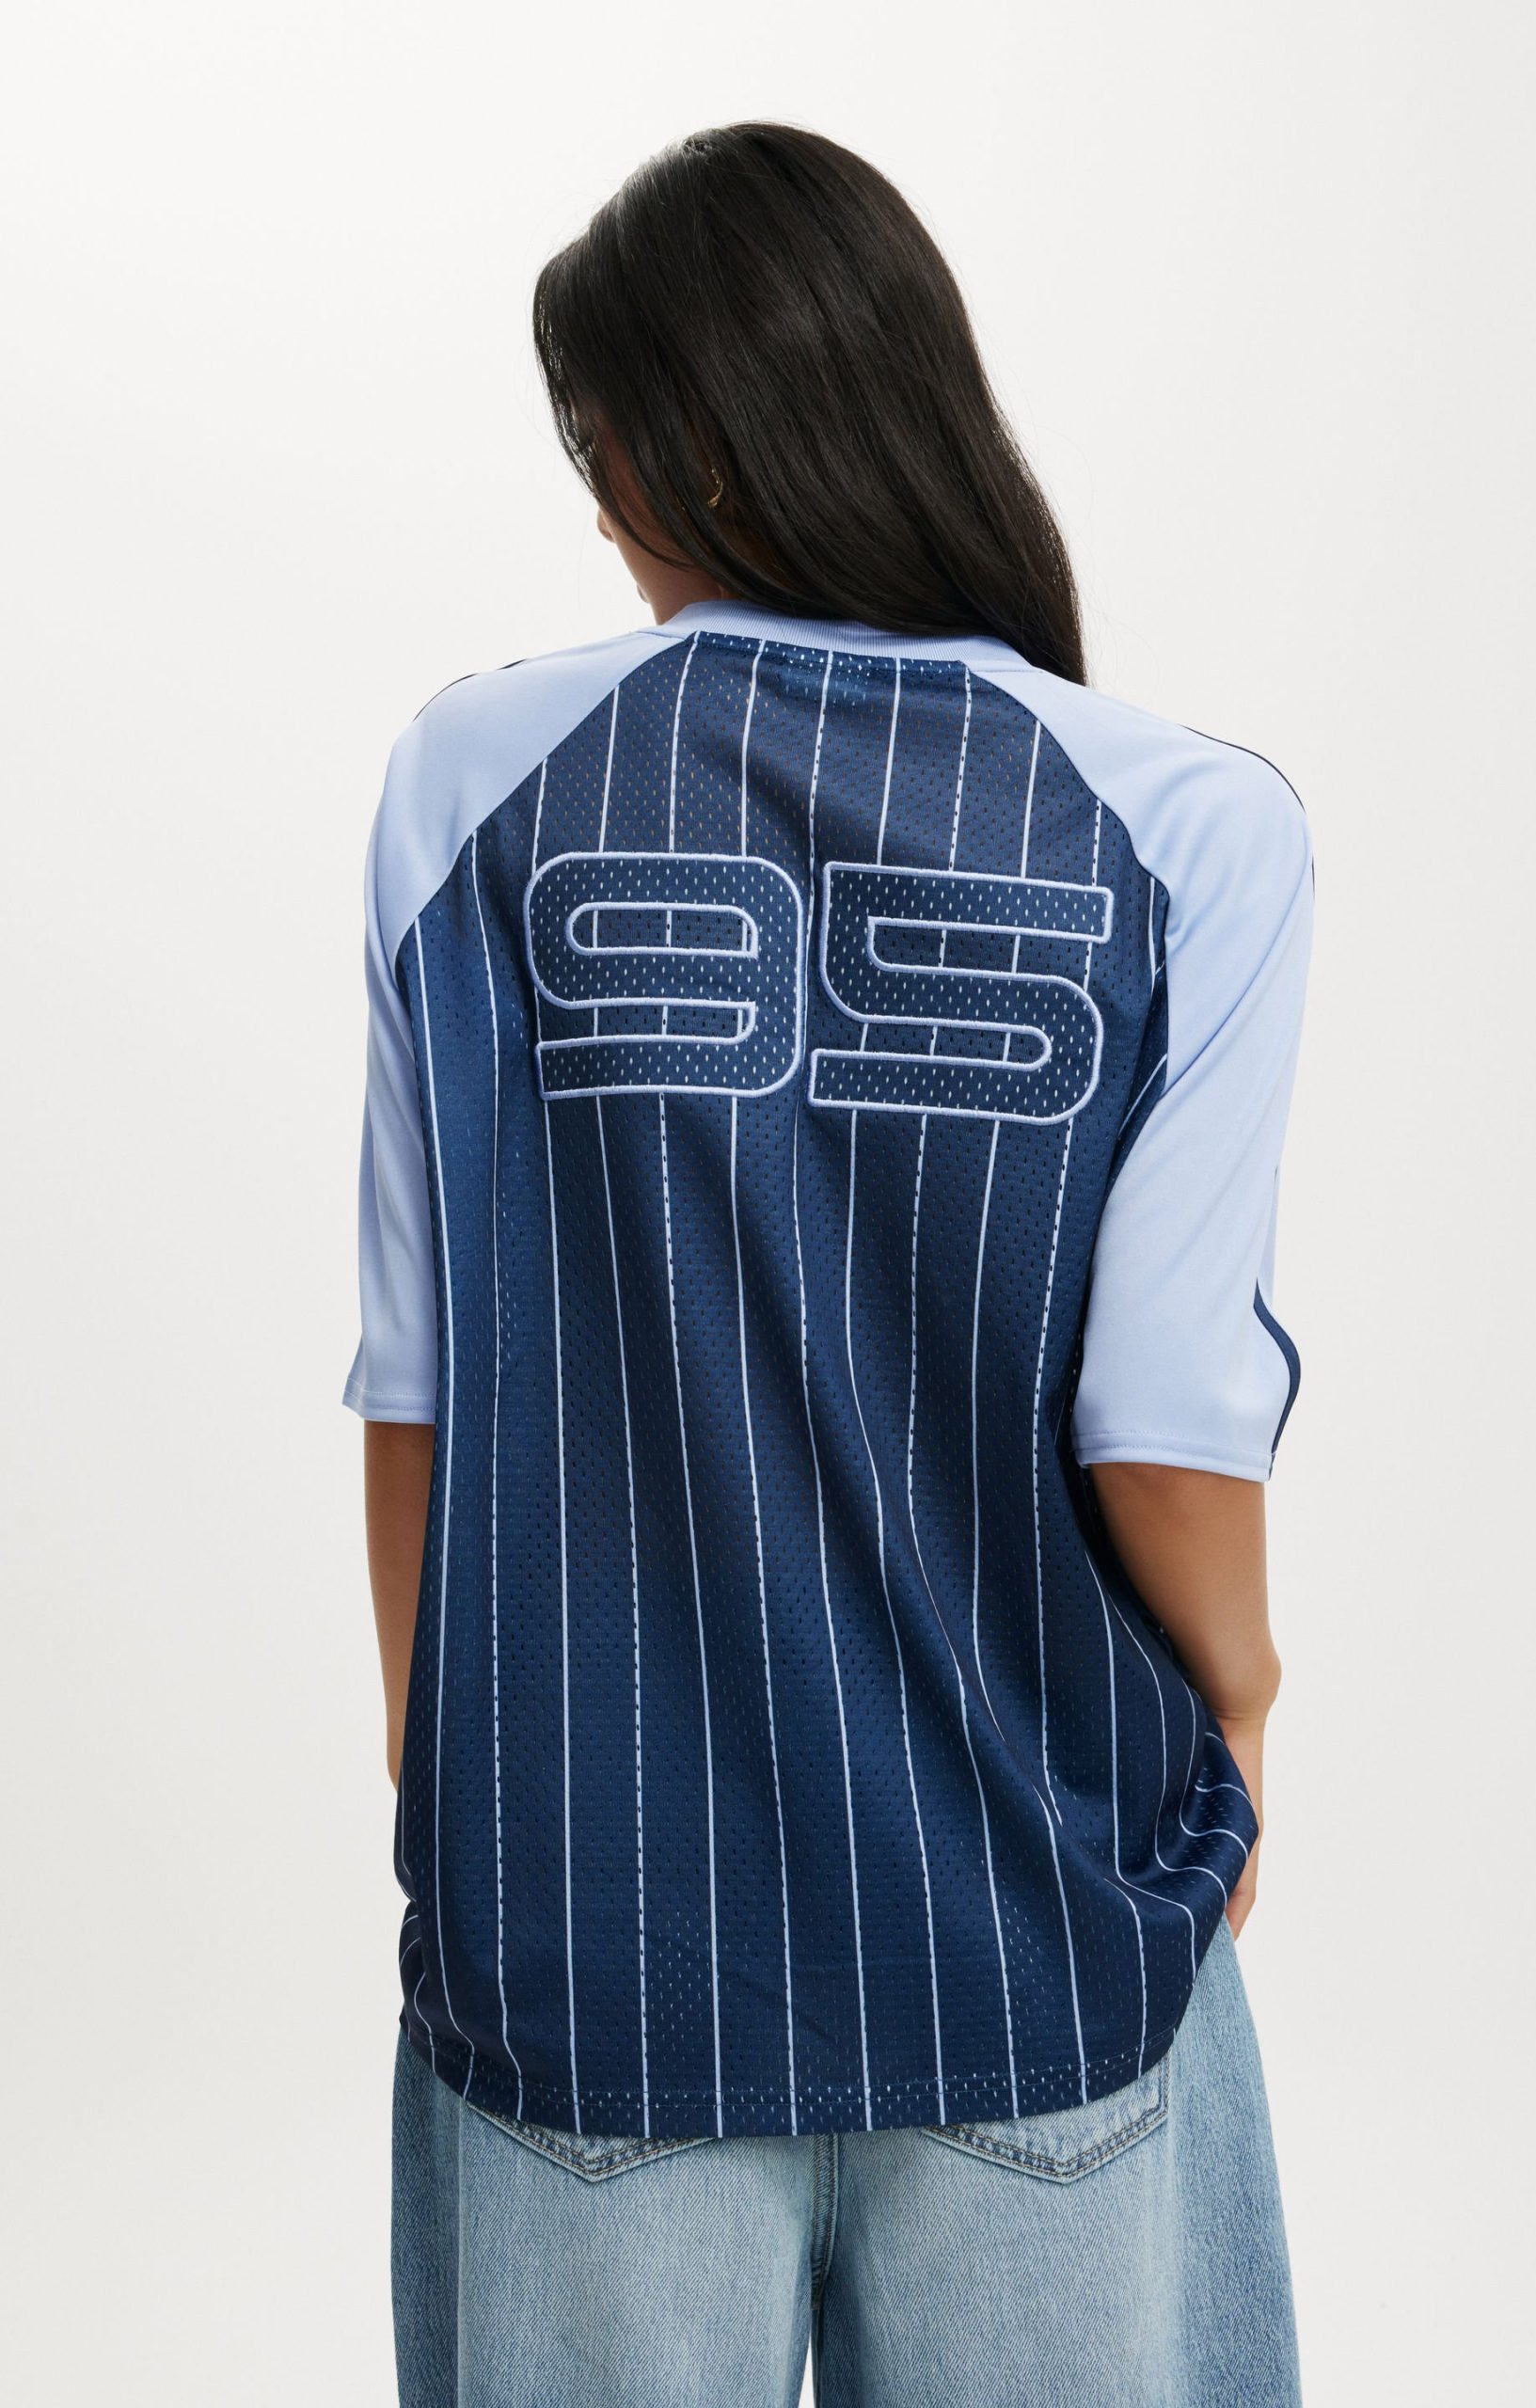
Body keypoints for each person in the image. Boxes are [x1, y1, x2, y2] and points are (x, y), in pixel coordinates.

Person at [347, 122, 1310, 2408]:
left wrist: (458, 1794)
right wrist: (1241, 1710)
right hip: (1031, 1923)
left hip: (585, 1940)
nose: (597, 512)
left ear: (673, 445)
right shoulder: (1184, 821)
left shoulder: (471, 784)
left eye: (593, 444)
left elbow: (416, 1377)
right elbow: (1163, 1418)